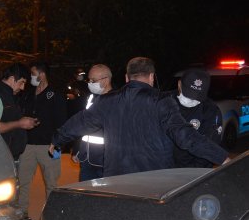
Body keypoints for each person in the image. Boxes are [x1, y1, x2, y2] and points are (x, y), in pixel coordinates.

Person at [51, 57, 229, 177]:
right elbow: (185, 136)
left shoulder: (107, 101)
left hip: (117, 178)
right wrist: (221, 157)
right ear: (152, 77)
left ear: (127, 78)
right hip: (153, 180)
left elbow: (80, 122)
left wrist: (57, 139)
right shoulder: (162, 102)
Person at [16, 62, 68, 212]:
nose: (31, 77)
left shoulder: (56, 95)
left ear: (42, 74)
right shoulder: (28, 94)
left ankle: (52, 213)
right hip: (28, 145)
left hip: (50, 145)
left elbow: (62, 122)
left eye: (33, 73)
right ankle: (21, 211)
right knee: (22, 181)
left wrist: (58, 146)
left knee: (52, 183)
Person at [164, 68, 223, 168]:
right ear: (179, 85)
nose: (191, 99)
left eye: (196, 97)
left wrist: (191, 174)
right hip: (164, 169)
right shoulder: (164, 102)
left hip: (195, 172)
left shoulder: (210, 109)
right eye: (188, 94)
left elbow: (210, 144)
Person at [0, 62, 39, 165]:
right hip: (0, 158)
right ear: (12, 79)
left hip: (10, 156)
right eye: (22, 82)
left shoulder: (10, 96)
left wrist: (25, 121)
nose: (23, 87)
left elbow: (9, 118)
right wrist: (20, 123)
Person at [70, 64, 113, 181]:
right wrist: (76, 149)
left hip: (105, 162)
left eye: (93, 80)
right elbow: (82, 124)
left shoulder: (116, 101)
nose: (90, 83)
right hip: (86, 159)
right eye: (89, 80)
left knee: (105, 196)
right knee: (85, 196)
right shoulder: (91, 99)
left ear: (106, 80)